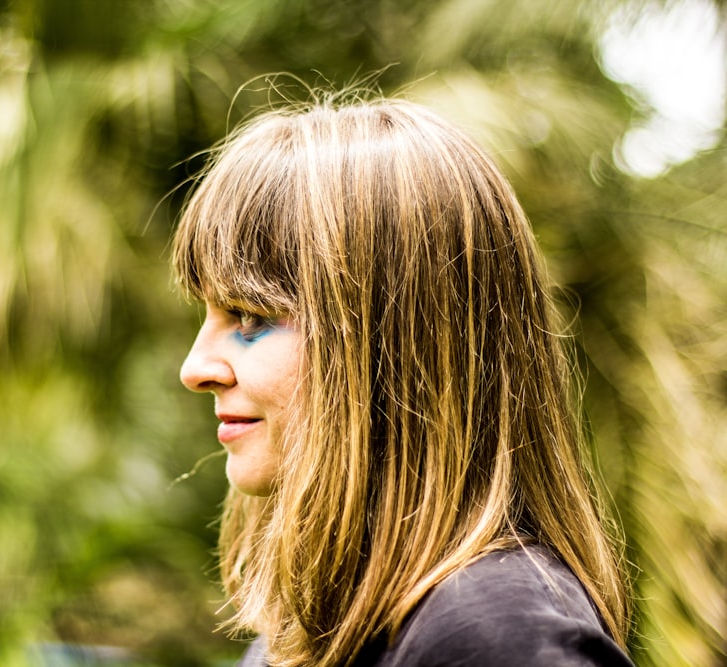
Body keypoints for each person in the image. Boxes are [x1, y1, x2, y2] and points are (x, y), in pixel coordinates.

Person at [173, 95, 635, 666]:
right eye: (208, 314)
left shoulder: (493, 638)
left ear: (391, 343)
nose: (196, 369)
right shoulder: (304, 631)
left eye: (250, 315)